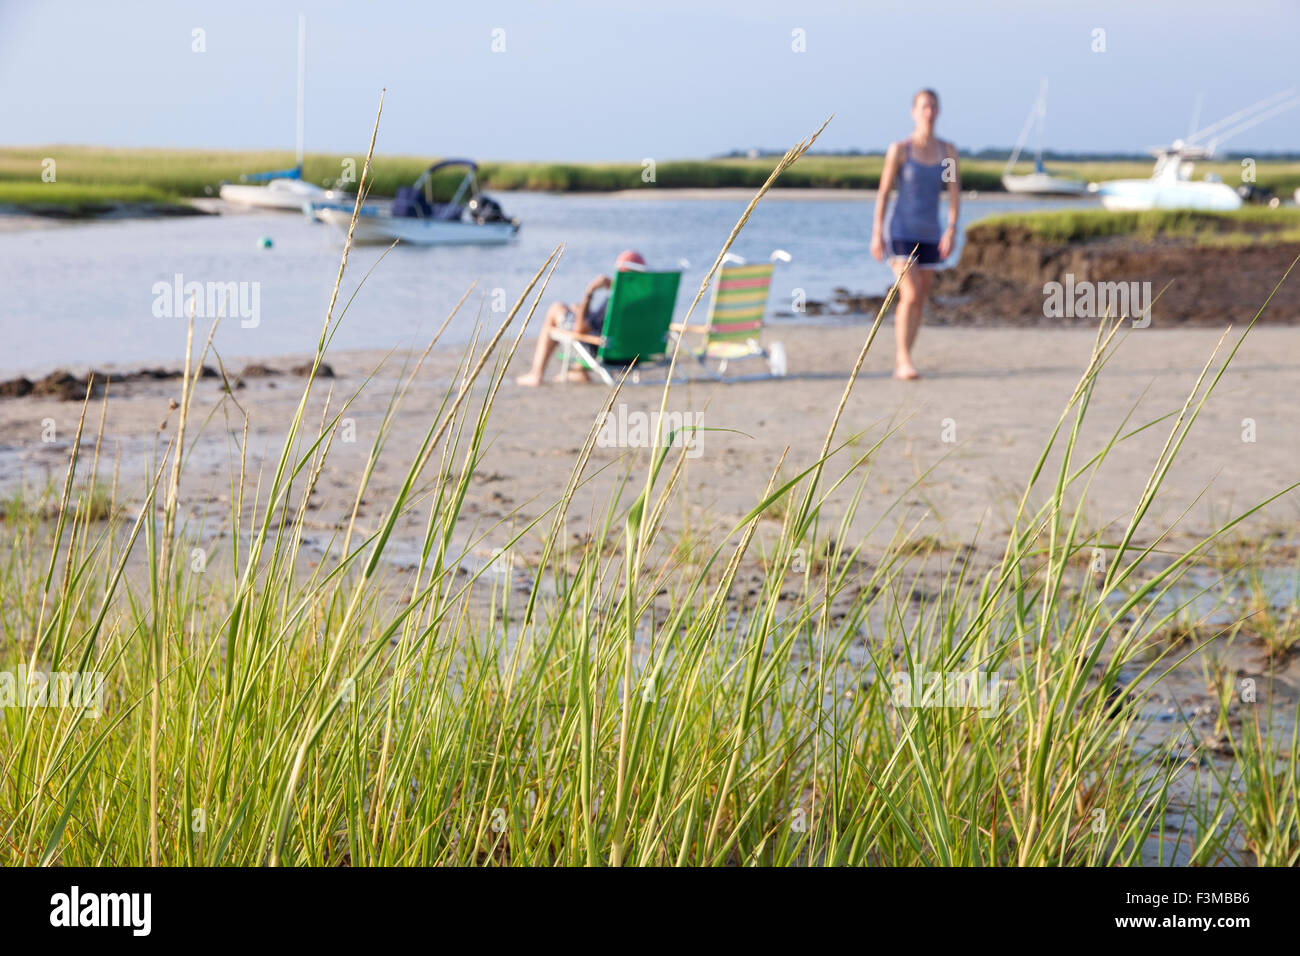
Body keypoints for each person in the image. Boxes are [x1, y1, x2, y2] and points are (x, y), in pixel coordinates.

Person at [870, 88, 961, 380]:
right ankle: (903, 358)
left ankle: (904, 358)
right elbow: (884, 193)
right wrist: (877, 233)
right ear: (914, 111)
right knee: (908, 295)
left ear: (939, 111)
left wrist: (951, 229)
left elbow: (953, 193)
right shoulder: (900, 150)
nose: (929, 111)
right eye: (923, 106)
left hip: (931, 233)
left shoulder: (947, 152)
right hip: (900, 232)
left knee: (920, 297)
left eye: (933, 106)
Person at [516, 249, 646, 386]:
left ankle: (536, 374)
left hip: (605, 351)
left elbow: (580, 329)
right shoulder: (649, 302)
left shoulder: (615, 302)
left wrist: (590, 292)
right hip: (633, 356)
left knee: (555, 309)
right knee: (574, 308)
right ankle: (578, 372)